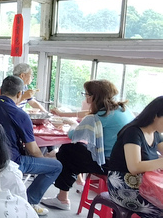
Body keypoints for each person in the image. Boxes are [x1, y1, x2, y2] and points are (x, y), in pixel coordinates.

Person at [0, 76, 62, 216]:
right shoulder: (21, 115)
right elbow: (32, 150)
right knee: (56, 166)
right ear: (20, 94)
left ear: (0, 90)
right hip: (10, 161)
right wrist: (44, 158)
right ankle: (30, 201)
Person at [46, 80, 135, 210]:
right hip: (126, 162)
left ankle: (62, 198)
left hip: (109, 164)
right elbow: (88, 116)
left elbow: (74, 135)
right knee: (76, 150)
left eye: (86, 94)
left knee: (67, 150)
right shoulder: (122, 109)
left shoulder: (99, 116)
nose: (85, 96)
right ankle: (78, 182)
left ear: (93, 96)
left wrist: (71, 123)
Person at [105, 96, 163, 218]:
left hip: (144, 184)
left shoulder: (156, 134)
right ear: (155, 116)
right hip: (122, 186)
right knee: (160, 213)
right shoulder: (133, 132)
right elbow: (134, 167)